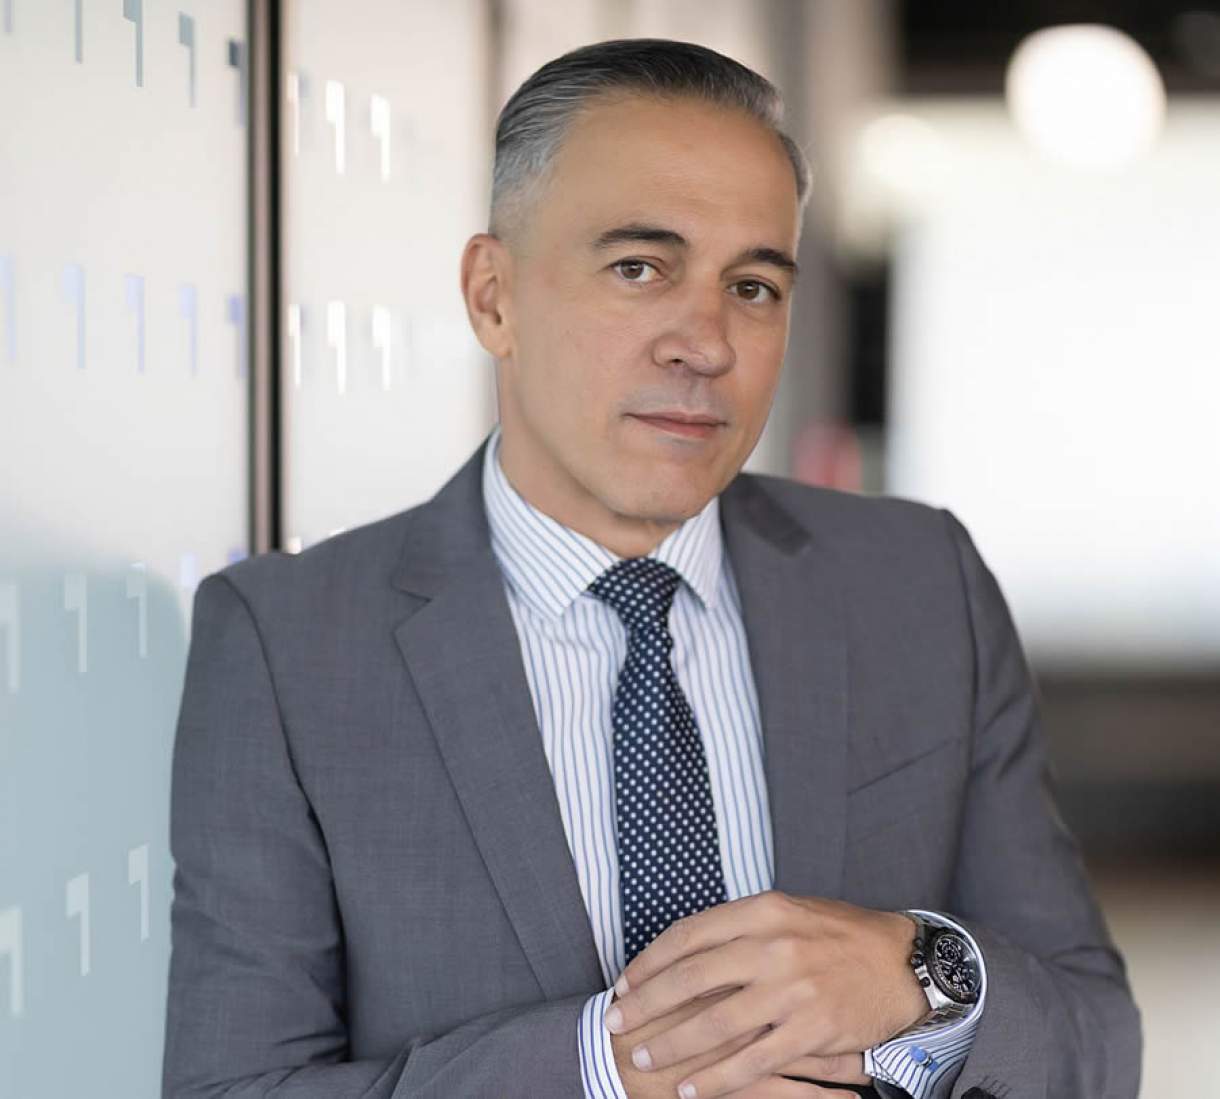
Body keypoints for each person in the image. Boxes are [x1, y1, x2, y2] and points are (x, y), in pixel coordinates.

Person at [161, 38, 1141, 1099]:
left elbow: (1096, 1042)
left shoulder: (917, 584)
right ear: (493, 296)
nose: (705, 343)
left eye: (753, 286)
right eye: (639, 268)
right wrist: (613, 1068)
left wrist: (918, 972)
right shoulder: (286, 645)